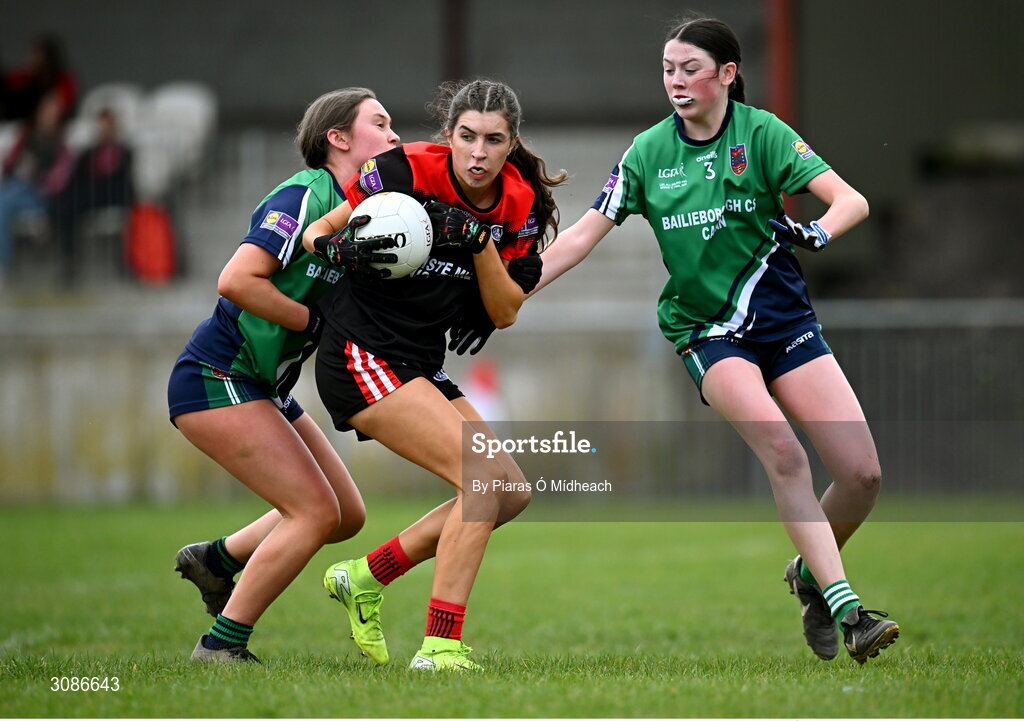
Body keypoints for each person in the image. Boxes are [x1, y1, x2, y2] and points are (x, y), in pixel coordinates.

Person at [530, 17, 899, 665]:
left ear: (727, 74)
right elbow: (585, 233)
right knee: (784, 452)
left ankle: (810, 576)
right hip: (705, 329)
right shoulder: (647, 152)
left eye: (690, 68)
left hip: (785, 323)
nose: (676, 80)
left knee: (862, 474)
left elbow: (849, 200)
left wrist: (818, 232)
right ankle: (849, 610)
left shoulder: (762, 133)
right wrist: (515, 285)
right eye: (668, 69)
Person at [302, 78, 563, 672]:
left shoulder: (518, 203)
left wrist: (475, 243)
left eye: (493, 141)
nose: (478, 152)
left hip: (419, 360)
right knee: (482, 484)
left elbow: (503, 311)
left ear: (511, 143)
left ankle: (365, 576)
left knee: (511, 492)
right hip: (361, 353)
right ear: (449, 136)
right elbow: (318, 233)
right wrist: (336, 251)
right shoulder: (406, 170)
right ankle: (440, 647)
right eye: (467, 136)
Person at [168, 88, 403, 663]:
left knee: (346, 516)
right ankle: (221, 647)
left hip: (260, 385)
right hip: (216, 373)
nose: (395, 135)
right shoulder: (305, 193)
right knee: (315, 512)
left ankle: (217, 560)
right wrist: (315, 319)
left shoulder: (362, 213)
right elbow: (237, 281)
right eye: (381, 123)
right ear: (338, 139)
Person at [53, 107, 134, 285]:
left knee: (72, 202)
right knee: (66, 205)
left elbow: (125, 183)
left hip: (112, 196)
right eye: (101, 125)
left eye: (108, 125)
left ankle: (125, 263)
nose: (104, 129)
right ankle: (70, 260)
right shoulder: (89, 152)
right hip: (90, 197)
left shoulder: (124, 151)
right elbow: (77, 176)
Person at [0, 89, 72, 288]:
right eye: (45, 111)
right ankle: (4, 263)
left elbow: (59, 179)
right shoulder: (26, 136)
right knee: (3, 202)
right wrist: (17, 166)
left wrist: (37, 179)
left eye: (52, 112)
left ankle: (3, 264)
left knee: (5, 199)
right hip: (16, 191)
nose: (47, 116)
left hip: (39, 194)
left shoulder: (60, 144)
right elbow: (8, 163)